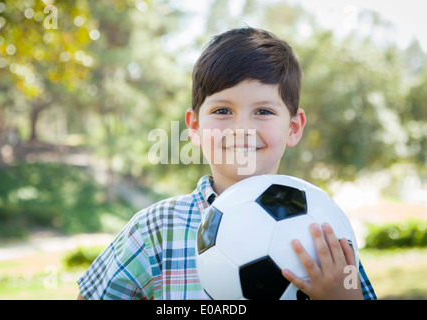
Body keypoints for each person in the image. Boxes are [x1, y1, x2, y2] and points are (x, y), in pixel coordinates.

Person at [77, 27, 376, 300]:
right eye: (222, 110)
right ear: (194, 126)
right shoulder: (155, 230)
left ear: (294, 127)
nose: (241, 128)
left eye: (263, 111)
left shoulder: (325, 227)